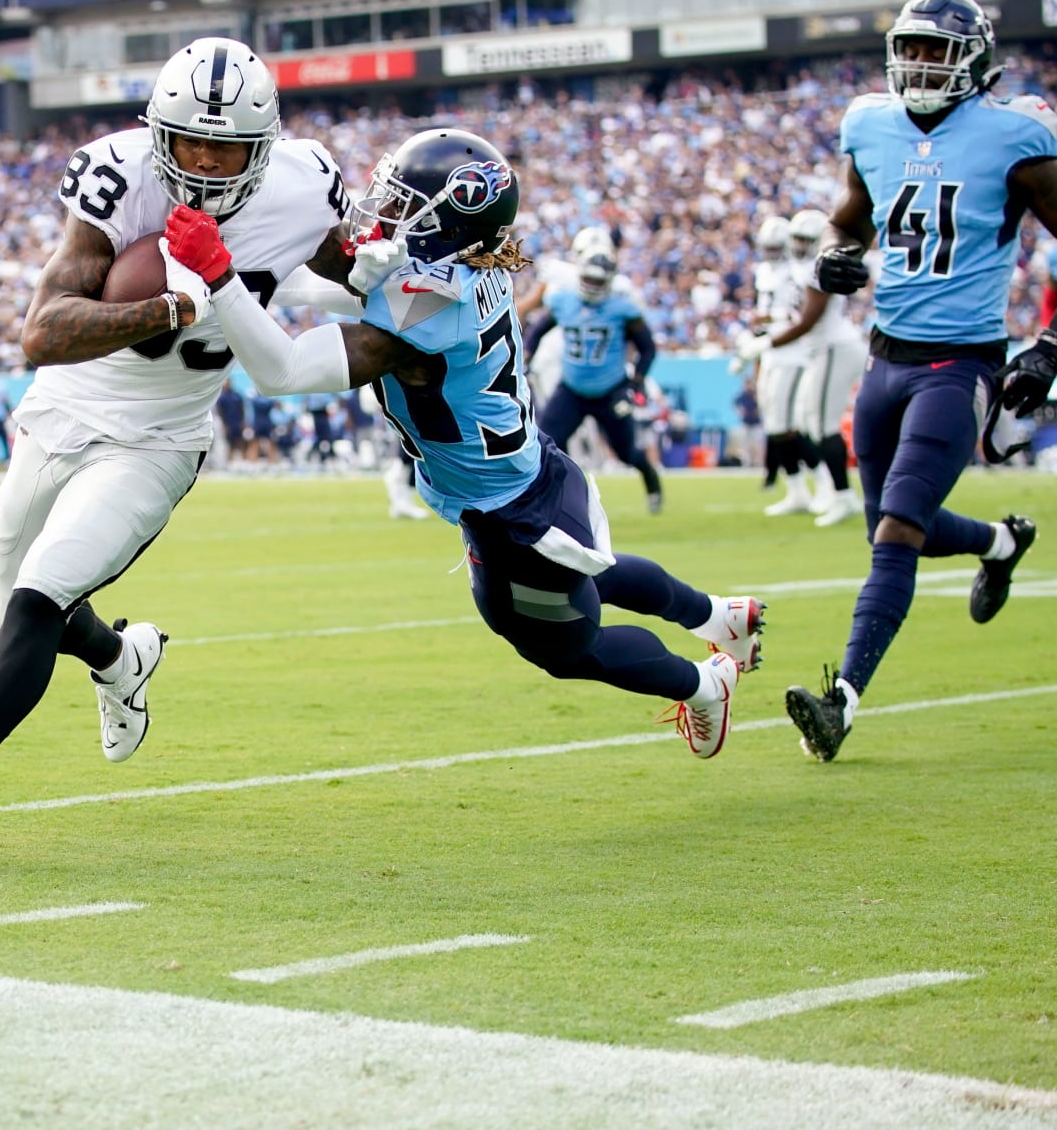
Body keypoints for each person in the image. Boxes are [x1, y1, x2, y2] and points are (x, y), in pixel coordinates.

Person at [0, 36, 393, 870]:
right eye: (189, 141)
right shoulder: (115, 174)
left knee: (37, 600)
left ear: (268, 145)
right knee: (19, 607)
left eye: (229, 146)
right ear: (157, 133)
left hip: (158, 440)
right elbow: (42, 331)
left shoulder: (306, 182)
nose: (208, 163)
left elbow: (350, 267)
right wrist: (172, 309)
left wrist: (395, 273)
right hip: (62, 411)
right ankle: (121, 655)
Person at [159, 127, 766, 768]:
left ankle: (707, 685)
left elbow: (279, 372)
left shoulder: (427, 308)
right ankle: (718, 615)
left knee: (564, 647)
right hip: (521, 470)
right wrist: (255, 267)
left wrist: (223, 277)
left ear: (447, 223)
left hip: (509, 513)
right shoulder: (466, 264)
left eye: (403, 203)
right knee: (587, 579)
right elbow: (338, 288)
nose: (384, 210)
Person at [784, 0, 1056, 762]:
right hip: (884, 357)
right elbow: (849, 218)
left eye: (939, 49)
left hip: (960, 363)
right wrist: (834, 256)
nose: (923, 62)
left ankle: (841, 701)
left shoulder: (1016, 134)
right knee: (890, 524)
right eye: (913, 47)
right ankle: (1002, 544)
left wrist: (1048, 349)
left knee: (897, 530)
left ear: (975, 59)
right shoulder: (870, 124)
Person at [739, 208, 867, 528]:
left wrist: (765, 343)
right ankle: (830, 492)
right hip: (821, 348)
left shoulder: (816, 266)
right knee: (807, 423)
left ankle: (842, 495)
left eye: (805, 239)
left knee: (823, 426)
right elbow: (795, 315)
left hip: (833, 346)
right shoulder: (797, 268)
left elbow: (808, 321)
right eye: (795, 238)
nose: (798, 244)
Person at [522, 237, 664, 513]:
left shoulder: (622, 308)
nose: (593, 286)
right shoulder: (563, 301)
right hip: (572, 389)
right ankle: (559, 497)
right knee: (546, 443)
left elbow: (648, 348)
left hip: (610, 389)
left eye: (600, 281)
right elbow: (537, 332)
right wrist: (526, 358)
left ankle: (653, 484)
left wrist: (636, 383)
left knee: (626, 452)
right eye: (589, 279)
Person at [736, 215, 824, 513]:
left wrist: (767, 322)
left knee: (786, 425)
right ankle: (798, 490)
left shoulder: (796, 272)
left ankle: (823, 484)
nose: (772, 253)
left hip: (792, 351)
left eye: (777, 247)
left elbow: (795, 315)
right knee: (776, 425)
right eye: (768, 247)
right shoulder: (766, 271)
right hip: (771, 351)